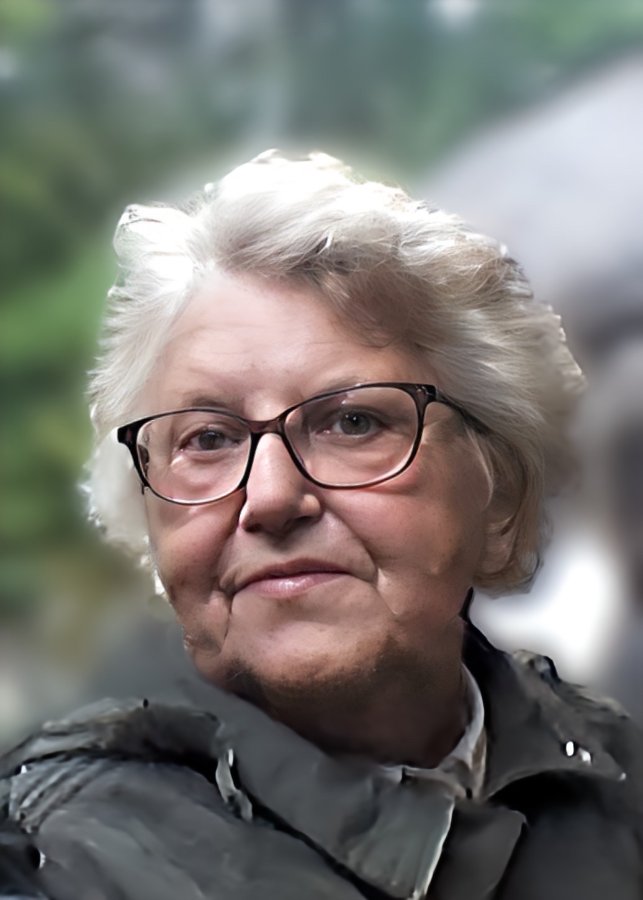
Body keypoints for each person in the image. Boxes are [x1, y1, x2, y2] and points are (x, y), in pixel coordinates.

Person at [1, 150, 642, 900]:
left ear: (498, 493)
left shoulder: (615, 773)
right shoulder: (47, 860)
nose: (270, 497)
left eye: (352, 422)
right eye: (208, 439)